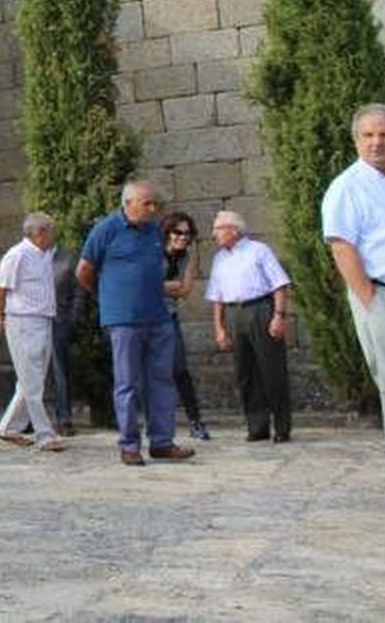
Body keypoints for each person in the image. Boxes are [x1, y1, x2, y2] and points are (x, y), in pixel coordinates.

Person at [322, 103, 385, 512]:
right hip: (384, 298)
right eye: (368, 135)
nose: (377, 142)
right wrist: (373, 306)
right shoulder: (347, 187)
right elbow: (342, 249)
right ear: (356, 140)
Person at [76, 179, 195, 466]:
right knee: (127, 383)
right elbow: (84, 271)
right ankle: (129, 445)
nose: (153, 209)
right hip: (124, 321)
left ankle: (161, 442)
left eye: (155, 204)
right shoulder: (106, 230)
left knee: (162, 381)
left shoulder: (156, 232)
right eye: (147, 204)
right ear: (127, 204)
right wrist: (108, 298)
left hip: (158, 317)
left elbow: (176, 260)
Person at [204, 210, 293, 443]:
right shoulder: (219, 259)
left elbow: (279, 284)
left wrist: (279, 315)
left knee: (272, 369)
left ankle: (282, 427)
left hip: (260, 310)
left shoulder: (258, 250)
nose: (213, 234)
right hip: (234, 313)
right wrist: (219, 328)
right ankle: (257, 426)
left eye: (217, 228)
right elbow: (217, 297)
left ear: (233, 230)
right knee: (246, 373)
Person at [0, 213, 65, 452]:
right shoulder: (17, 255)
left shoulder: (44, 254)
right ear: (39, 232)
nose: (54, 235)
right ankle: (44, 434)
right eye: (51, 230)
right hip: (22, 320)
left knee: (32, 379)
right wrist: (0, 316)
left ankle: (8, 428)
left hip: (43, 319)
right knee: (31, 380)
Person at [160, 211, 210, 441]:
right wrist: (170, 285)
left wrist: (164, 286)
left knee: (179, 368)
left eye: (187, 234)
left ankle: (195, 421)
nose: (182, 238)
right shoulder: (152, 251)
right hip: (146, 315)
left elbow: (186, 289)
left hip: (168, 315)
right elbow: (142, 284)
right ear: (167, 232)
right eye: (177, 232)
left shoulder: (186, 257)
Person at [49, 243, 81, 436]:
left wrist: (72, 318)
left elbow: (79, 290)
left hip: (58, 320)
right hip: (31, 322)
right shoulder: (25, 257)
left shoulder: (68, 258)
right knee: (29, 373)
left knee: (59, 370)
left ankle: (64, 418)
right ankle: (27, 419)